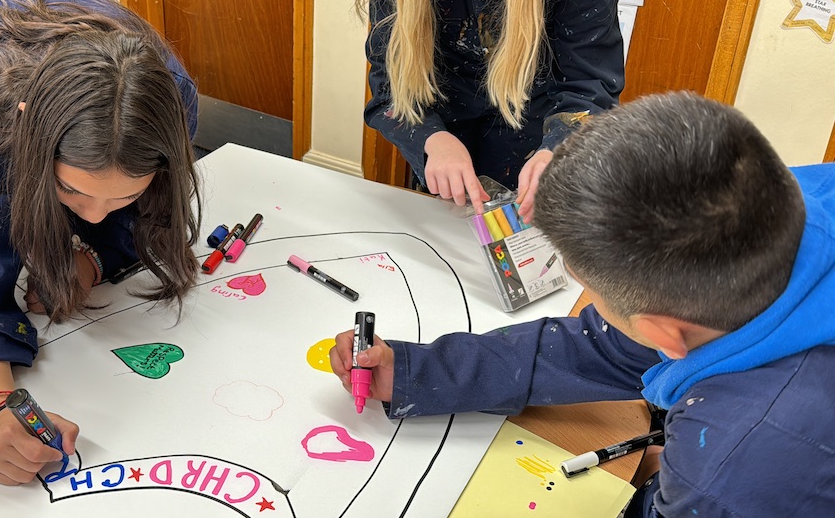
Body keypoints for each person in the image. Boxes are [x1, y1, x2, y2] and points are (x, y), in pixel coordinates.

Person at [330, 92, 835, 516]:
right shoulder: (785, 198)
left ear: (664, 334)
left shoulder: (733, 470)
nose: (592, 309)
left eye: (591, 294)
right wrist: (418, 371)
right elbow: (596, 347)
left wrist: (673, 481)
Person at [0, 0, 202, 485]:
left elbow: (150, 210)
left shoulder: (174, 98)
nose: (92, 214)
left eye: (123, 194)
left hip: (61, 25)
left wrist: (94, 256)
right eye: (73, 191)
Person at [360, 0, 624, 219]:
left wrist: (559, 150)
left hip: (536, 163)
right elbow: (389, 88)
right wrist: (431, 139)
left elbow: (590, 87)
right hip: (444, 168)